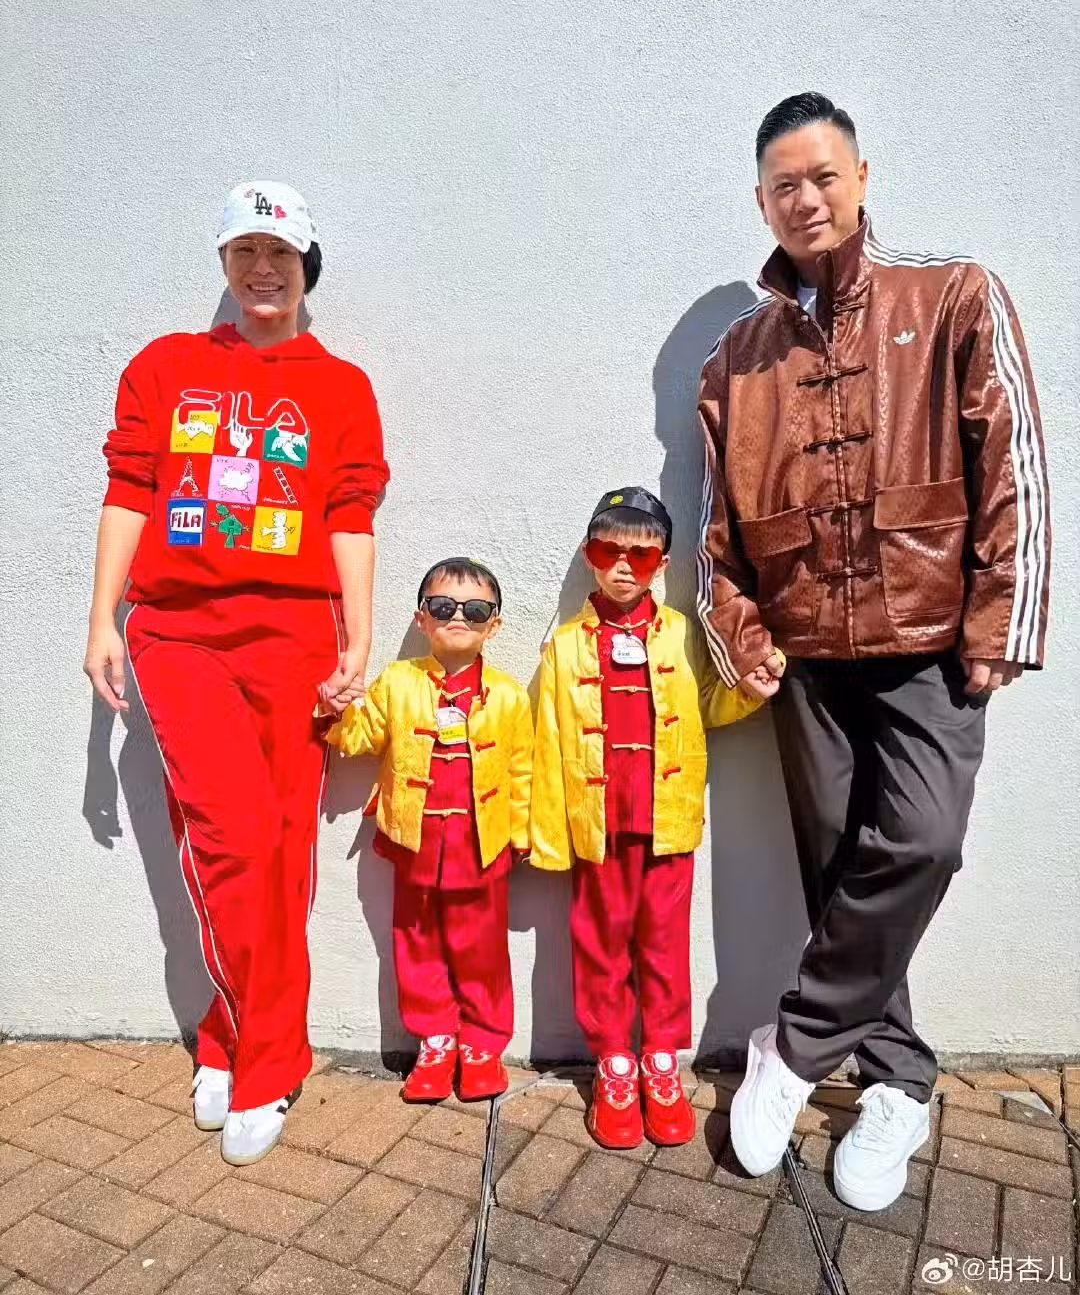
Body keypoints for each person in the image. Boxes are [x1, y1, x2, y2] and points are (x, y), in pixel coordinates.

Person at [697, 93, 1051, 1210]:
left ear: (861, 178)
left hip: (933, 648)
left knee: (924, 845)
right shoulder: (737, 357)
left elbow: (1014, 462)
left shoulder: (952, 294)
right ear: (761, 201)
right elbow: (713, 529)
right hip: (805, 661)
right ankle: (896, 1079)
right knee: (841, 870)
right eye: (783, 185)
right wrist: (741, 637)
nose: (805, 199)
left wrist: (1003, 621)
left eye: (823, 176)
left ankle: (795, 1044)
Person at [85, 182, 389, 1165]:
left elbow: (349, 514)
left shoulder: (341, 387)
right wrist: (102, 619)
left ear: (307, 267)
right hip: (180, 637)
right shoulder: (165, 368)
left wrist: (357, 639)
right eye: (245, 252)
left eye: (281, 254)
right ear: (223, 263)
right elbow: (131, 489)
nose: (263, 271)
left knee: (284, 853)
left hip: (295, 638)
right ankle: (270, 1058)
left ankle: (230, 1035)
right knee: (232, 841)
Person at [531, 488, 772, 1150]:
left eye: (641, 555)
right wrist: (546, 836)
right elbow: (548, 738)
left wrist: (748, 693)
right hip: (597, 830)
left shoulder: (682, 634)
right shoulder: (565, 646)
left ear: (662, 563)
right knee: (601, 949)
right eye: (609, 550)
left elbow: (707, 708)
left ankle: (661, 1059)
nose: (623, 566)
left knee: (665, 950)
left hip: (668, 827)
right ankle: (614, 1062)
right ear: (590, 555)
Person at [327, 558, 532, 1102]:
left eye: (476, 610)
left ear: (494, 625)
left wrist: (522, 834)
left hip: (482, 845)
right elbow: (362, 737)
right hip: (413, 842)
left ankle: (482, 1045)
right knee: (416, 945)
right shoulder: (398, 683)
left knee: (483, 950)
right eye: (443, 607)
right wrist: (335, 708)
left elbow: (522, 769)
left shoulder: (509, 695)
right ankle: (435, 1040)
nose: (458, 617)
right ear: (422, 619)